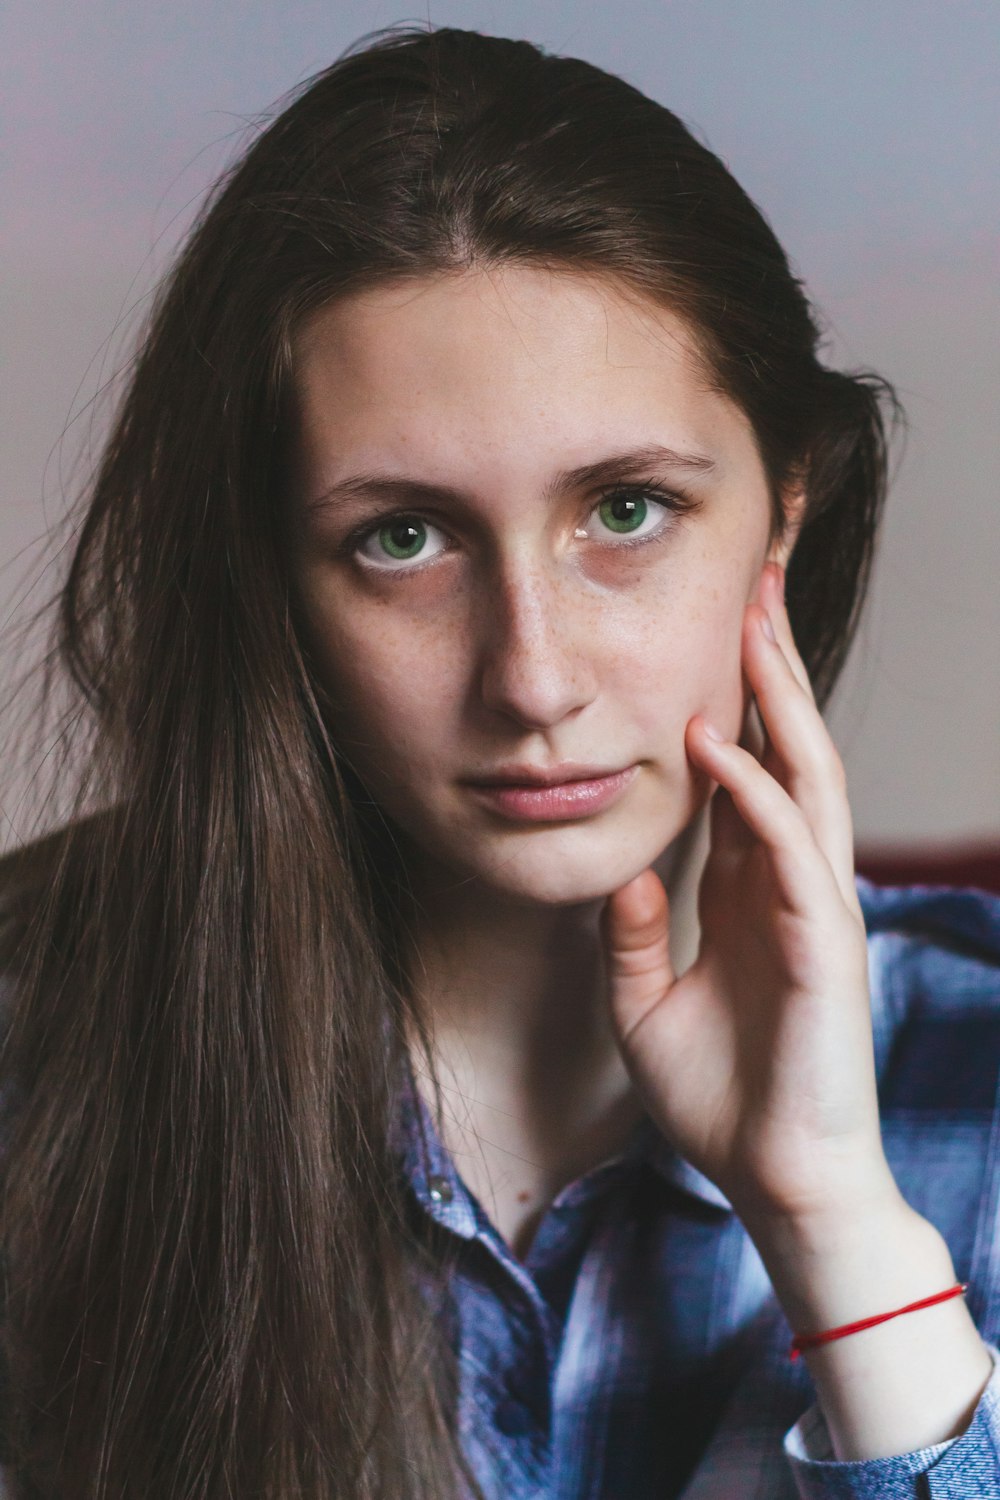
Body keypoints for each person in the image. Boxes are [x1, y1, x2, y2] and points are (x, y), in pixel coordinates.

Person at [0, 22, 997, 1500]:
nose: (531, 676)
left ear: (780, 524)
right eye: (402, 540)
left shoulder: (976, 1073)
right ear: (273, 577)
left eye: (628, 512)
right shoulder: (37, 1059)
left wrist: (838, 1223)